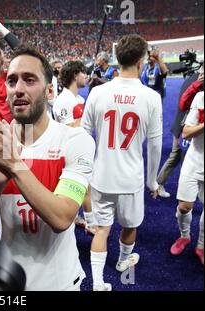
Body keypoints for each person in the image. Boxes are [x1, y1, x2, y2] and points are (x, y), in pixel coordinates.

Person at [0, 45, 96, 291]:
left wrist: (15, 167)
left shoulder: (76, 141)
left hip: (61, 282)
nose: (19, 89)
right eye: (12, 81)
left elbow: (62, 218)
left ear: (48, 91)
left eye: (29, 80)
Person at [81, 34, 163, 291]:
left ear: (118, 60)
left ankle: (97, 284)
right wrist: (153, 181)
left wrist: (85, 172)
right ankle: (122, 262)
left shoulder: (98, 92)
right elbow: (156, 144)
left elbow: (83, 137)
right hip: (131, 179)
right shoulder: (151, 97)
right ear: (141, 62)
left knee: (102, 229)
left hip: (102, 176)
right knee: (129, 225)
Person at [53, 60, 97, 235]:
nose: (86, 76)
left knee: (84, 187)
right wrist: (87, 120)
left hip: (82, 147)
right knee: (84, 186)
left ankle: (76, 217)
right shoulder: (63, 100)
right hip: (70, 150)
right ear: (74, 75)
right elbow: (67, 129)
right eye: (83, 73)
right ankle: (91, 224)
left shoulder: (79, 98)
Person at [156, 66, 204, 198]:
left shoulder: (192, 78)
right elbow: (183, 105)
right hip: (186, 128)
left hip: (185, 126)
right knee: (183, 159)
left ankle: (159, 184)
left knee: (176, 156)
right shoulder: (196, 82)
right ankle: (187, 195)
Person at [170, 90, 204, 266]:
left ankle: (201, 245)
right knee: (184, 207)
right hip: (194, 161)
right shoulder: (200, 97)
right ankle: (184, 236)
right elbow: (186, 133)